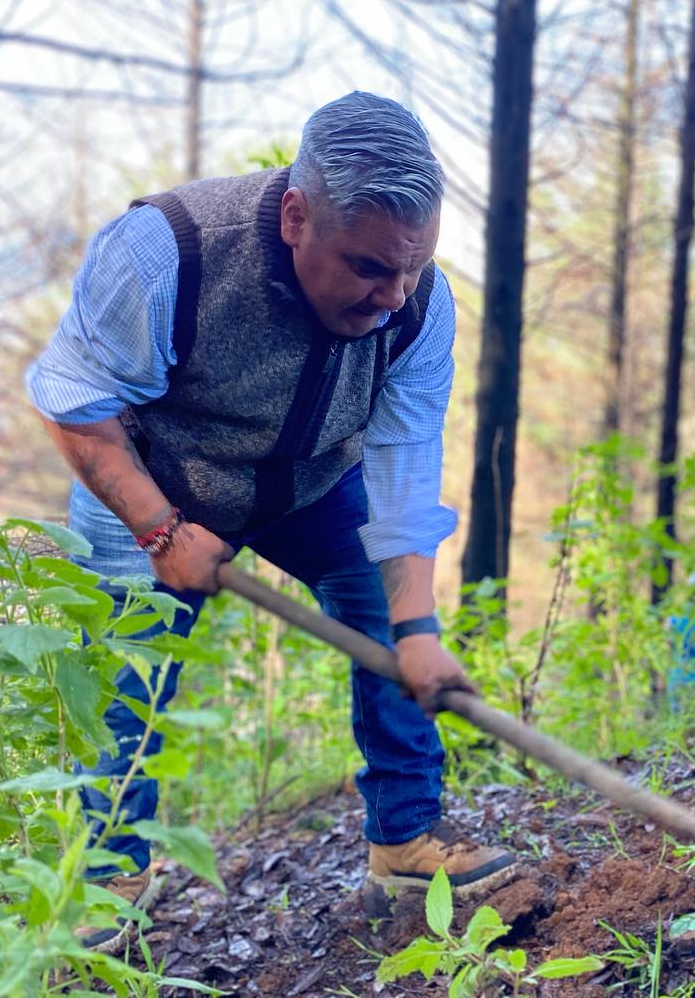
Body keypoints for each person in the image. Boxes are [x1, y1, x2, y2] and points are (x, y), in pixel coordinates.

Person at [26, 91, 516, 953]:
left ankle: (404, 840)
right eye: (367, 266)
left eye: (411, 268)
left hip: (312, 482)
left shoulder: (417, 306)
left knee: (382, 613)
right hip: (158, 479)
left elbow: (404, 468)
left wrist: (418, 626)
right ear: (296, 215)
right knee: (127, 672)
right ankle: (105, 886)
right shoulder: (166, 251)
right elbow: (76, 405)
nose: (391, 296)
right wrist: (158, 529)